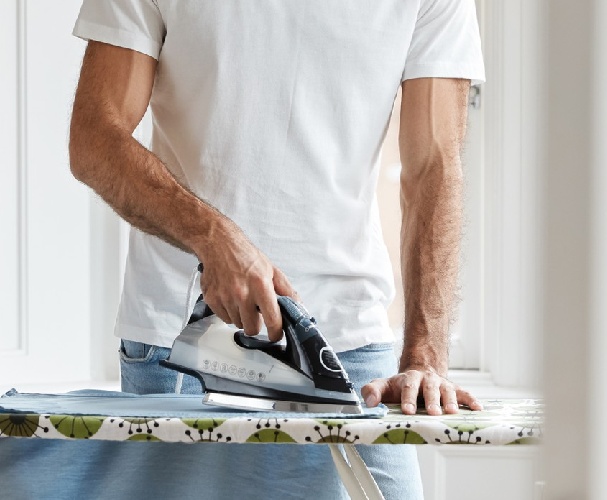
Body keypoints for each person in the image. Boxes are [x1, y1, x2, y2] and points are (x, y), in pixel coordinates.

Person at [54, 0, 484, 498]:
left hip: (350, 345)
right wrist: (212, 237)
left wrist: (425, 355)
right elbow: (94, 137)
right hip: (184, 343)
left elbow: (433, 164)